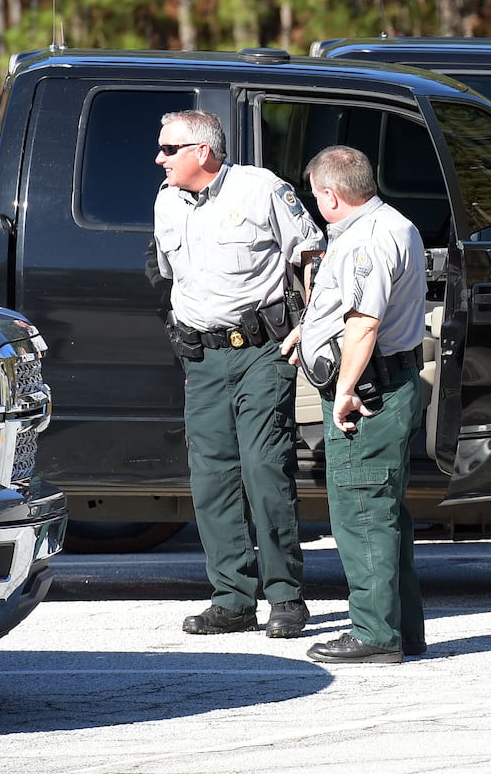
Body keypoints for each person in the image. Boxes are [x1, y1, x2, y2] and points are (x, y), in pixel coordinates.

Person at [152, 109, 322, 639]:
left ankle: (286, 597)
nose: (159, 159)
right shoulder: (165, 201)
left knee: (265, 471)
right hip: (202, 359)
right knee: (211, 480)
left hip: (260, 353)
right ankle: (231, 598)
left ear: (202, 151)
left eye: (168, 149)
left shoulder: (260, 189)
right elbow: (167, 274)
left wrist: (310, 327)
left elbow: (312, 254)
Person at [283, 145, 427, 664]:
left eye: (316, 193)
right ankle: (401, 629)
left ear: (331, 195)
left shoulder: (368, 240)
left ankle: (374, 636)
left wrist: (343, 391)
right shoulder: (390, 223)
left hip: (370, 393)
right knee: (385, 514)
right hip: (387, 382)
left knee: (362, 512)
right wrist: (311, 328)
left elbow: (365, 323)